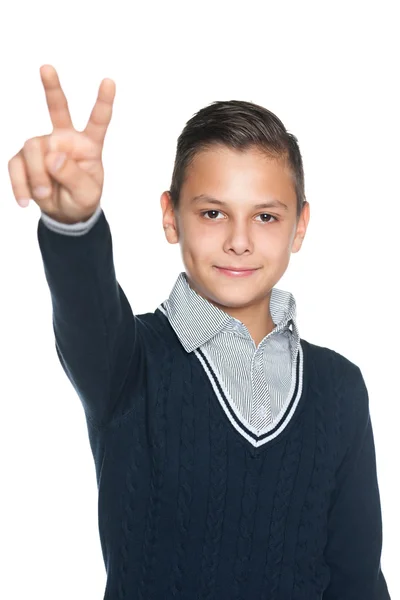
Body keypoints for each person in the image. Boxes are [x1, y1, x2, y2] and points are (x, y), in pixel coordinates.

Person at [8, 64, 391, 600]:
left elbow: (357, 578)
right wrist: (75, 225)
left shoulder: (339, 386)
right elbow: (85, 307)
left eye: (265, 217)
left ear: (300, 225)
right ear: (171, 217)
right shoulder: (128, 363)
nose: (238, 240)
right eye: (213, 212)